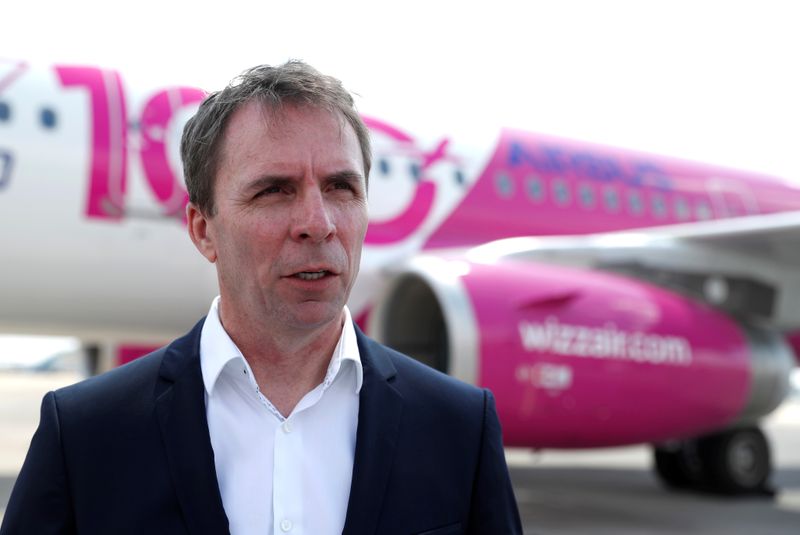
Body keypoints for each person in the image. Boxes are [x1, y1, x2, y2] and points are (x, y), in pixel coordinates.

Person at [1, 61, 522, 535]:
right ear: (203, 230)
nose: (318, 224)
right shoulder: (85, 434)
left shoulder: (460, 427)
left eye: (342, 187)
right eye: (274, 190)